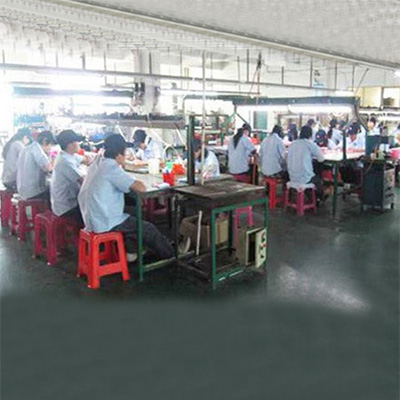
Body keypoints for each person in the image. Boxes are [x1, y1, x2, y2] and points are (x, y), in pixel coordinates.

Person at [78, 134, 173, 262]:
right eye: (125, 151)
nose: (126, 155)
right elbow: (141, 188)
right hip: (104, 220)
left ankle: (131, 250)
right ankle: (171, 254)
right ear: (119, 154)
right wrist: (131, 177)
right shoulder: (111, 168)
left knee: (135, 213)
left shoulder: (98, 162)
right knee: (148, 228)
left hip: (91, 216)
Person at [50, 130, 88, 224]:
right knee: (94, 211)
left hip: (68, 202)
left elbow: (86, 160)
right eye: (77, 141)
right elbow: (84, 181)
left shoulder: (68, 155)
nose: (79, 144)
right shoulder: (65, 161)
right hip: (67, 207)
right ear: (70, 145)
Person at [287, 125, 325, 201]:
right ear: (310, 135)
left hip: (292, 177)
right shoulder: (310, 144)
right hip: (304, 178)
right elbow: (321, 159)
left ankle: (312, 198)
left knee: (310, 176)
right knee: (317, 179)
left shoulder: (292, 144)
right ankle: (319, 198)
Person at [16, 131, 56, 202]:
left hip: (22, 190)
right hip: (33, 192)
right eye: (51, 145)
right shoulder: (37, 149)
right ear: (45, 141)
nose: (51, 148)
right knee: (56, 192)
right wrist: (52, 158)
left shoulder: (26, 148)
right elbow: (48, 168)